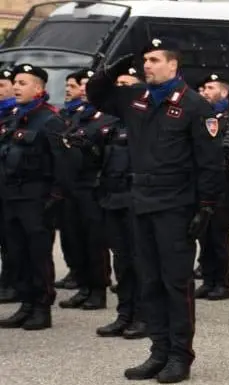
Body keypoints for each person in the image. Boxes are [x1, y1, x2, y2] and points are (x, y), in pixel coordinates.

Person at [87, 38, 225, 383]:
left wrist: (205, 208)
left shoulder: (195, 106)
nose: (146, 66)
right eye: (144, 60)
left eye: (153, 60)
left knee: (175, 283)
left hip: (176, 206)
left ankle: (180, 355)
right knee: (148, 281)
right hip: (142, 202)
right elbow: (97, 96)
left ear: (173, 65)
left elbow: (210, 163)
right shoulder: (137, 99)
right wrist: (110, 71)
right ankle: (158, 350)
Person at [0, 64, 68, 331]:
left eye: (23, 83)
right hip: (11, 197)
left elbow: (63, 162)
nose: (16, 87)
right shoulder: (15, 116)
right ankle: (26, 304)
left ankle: (41, 307)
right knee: (16, 253)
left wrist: (56, 196)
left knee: (38, 254)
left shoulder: (50, 119)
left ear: (39, 88)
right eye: (15, 82)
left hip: (36, 198)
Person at [55, 68, 112, 312]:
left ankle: (98, 290)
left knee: (94, 241)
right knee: (75, 238)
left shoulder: (108, 116)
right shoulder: (78, 115)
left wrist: (90, 148)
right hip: (72, 186)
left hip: (93, 187)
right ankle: (84, 286)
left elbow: (107, 155)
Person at [95, 67, 146, 339]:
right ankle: (124, 312)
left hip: (135, 199)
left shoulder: (145, 121)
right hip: (113, 197)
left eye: (128, 85)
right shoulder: (112, 124)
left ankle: (144, 315)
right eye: (119, 86)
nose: (121, 91)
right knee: (121, 260)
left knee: (141, 262)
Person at [194, 72, 229, 301]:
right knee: (204, 234)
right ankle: (208, 279)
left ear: (224, 92)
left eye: (211, 87)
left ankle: (222, 282)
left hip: (222, 186)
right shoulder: (200, 117)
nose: (206, 92)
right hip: (202, 184)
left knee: (218, 235)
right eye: (204, 88)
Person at [0, 68, 17, 305]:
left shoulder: (16, 115)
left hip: (13, 187)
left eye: (3, 85)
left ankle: (12, 281)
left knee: (11, 239)